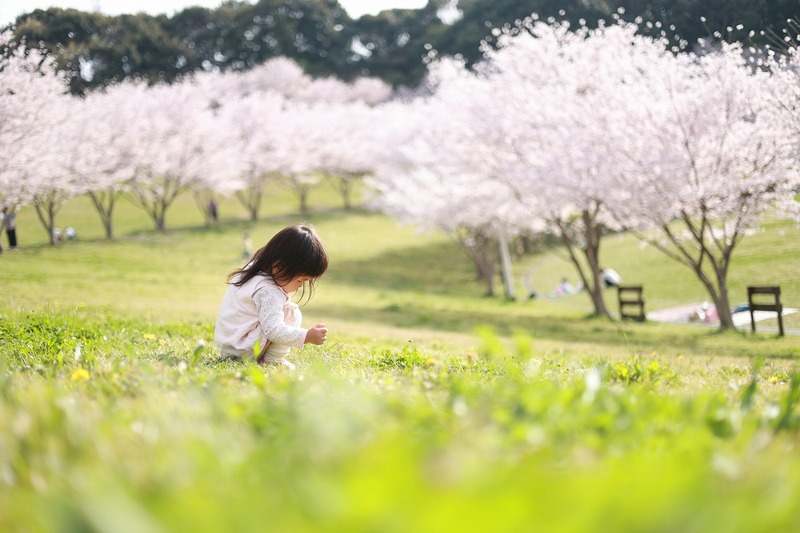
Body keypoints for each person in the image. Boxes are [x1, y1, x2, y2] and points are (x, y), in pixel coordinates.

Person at [215, 225, 329, 369]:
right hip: (244, 351)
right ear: (278, 268)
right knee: (291, 311)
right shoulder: (269, 291)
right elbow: (274, 330)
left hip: (230, 347)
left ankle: (265, 357)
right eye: (300, 280)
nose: (300, 287)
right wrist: (306, 336)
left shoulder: (252, 270)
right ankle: (273, 360)